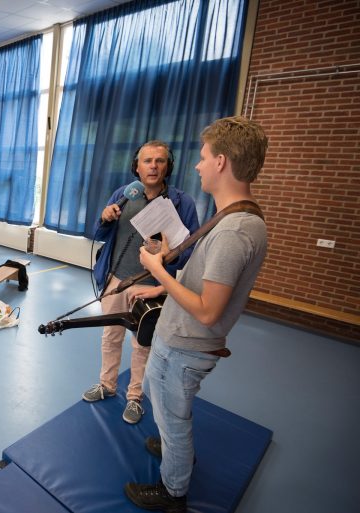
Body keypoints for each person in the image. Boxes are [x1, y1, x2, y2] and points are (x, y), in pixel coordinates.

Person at [124, 117, 269, 512]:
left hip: (188, 345)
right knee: (161, 398)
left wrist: (156, 270)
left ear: (221, 162)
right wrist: (160, 285)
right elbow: (200, 281)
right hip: (176, 340)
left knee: (174, 418)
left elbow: (208, 311)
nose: (197, 165)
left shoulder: (234, 231)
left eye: (203, 157)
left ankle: (173, 491)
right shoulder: (231, 217)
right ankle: (175, 447)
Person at [83, 141, 199, 425]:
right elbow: (98, 233)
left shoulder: (182, 203)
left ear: (168, 166)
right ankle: (107, 385)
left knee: (142, 344)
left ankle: (134, 397)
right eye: (147, 160)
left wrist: (166, 254)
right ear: (136, 166)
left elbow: (190, 252)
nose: (153, 166)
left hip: (151, 287)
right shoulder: (124, 194)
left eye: (160, 161)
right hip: (115, 280)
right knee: (110, 337)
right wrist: (104, 217)